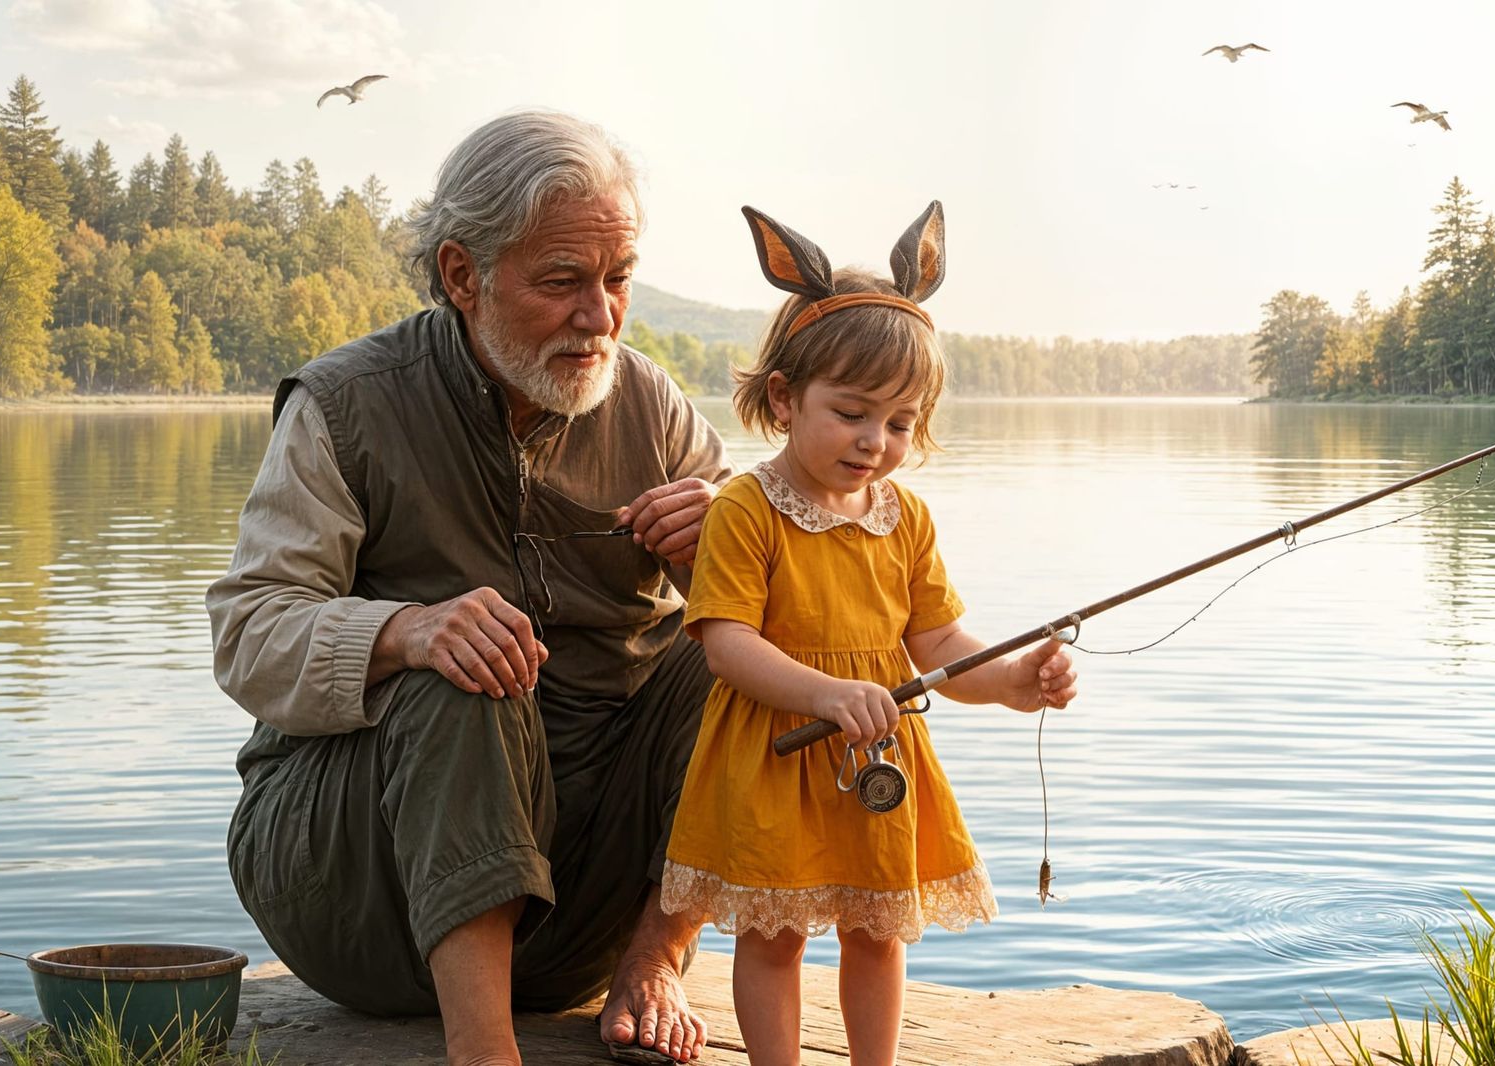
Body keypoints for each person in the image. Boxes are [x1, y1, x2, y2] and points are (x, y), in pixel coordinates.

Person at [206, 110, 733, 1065]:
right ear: (461, 274)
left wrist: (723, 557)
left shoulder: (653, 406)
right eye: (563, 283)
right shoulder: (345, 405)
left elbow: (776, 613)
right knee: (471, 669)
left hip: (582, 914)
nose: (601, 317)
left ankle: (655, 964)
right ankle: (482, 1049)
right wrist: (406, 631)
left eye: (618, 280)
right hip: (358, 897)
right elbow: (249, 633)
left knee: (747, 664)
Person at [658, 203, 1079, 1066]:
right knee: (774, 938)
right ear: (783, 397)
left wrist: (1010, 681)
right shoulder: (746, 509)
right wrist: (823, 692)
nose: (875, 442)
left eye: (898, 422)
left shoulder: (904, 516)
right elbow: (725, 641)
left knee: (877, 932)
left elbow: (938, 643)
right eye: (852, 413)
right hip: (778, 752)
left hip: (877, 756)